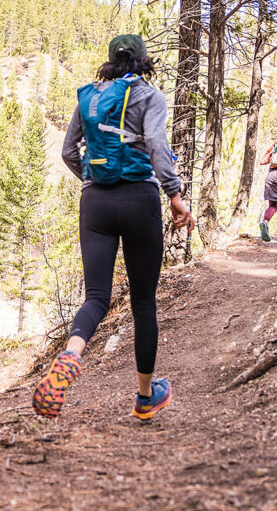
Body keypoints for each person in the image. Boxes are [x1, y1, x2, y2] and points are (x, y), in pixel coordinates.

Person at [31, 34, 195, 421]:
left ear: (110, 62)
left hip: (96, 203)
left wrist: (92, 182)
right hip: (140, 199)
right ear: (142, 62)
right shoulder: (149, 96)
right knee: (142, 302)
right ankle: (144, 397)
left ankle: (71, 354)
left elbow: (68, 151)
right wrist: (173, 193)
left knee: (97, 298)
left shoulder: (88, 97)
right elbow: (155, 141)